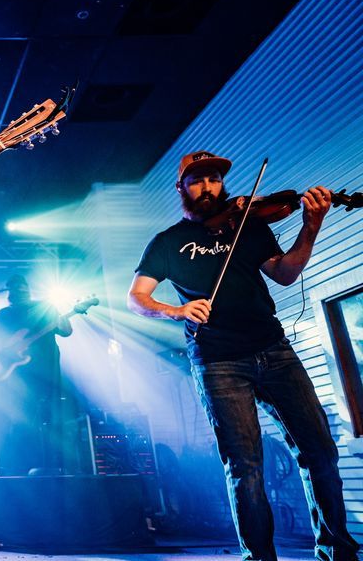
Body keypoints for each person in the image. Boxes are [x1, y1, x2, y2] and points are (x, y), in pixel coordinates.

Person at [127, 151, 358, 561]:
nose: (207, 187)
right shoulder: (167, 242)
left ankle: (337, 551)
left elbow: (285, 273)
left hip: (274, 349)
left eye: (214, 179)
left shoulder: (249, 225)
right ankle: (259, 557)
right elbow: (137, 298)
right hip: (218, 362)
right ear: (181, 187)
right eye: (197, 180)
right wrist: (176, 310)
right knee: (245, 467)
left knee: (320, 451)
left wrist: (310, 227)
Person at [0, 274, 73, 474]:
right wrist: (14, 342)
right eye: (14, 288)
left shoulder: (45, 307)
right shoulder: (4, 315)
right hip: (19, 376)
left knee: (52, 418)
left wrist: (63, 317)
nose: (18, 291)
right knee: (23, 420)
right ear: (9, 291)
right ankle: (21, 466)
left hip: (48, 371)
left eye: (21, 287)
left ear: (27, 288)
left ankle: (54, 467)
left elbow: (66, 331)